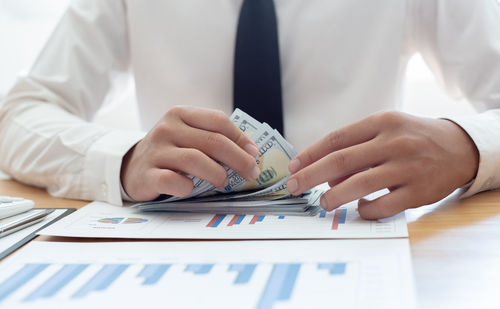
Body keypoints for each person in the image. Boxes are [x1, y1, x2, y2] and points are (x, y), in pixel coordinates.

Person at [0, 0, 499, 219]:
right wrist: (125, 158)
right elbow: (20, 114)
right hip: (178, 248)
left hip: (356, 235)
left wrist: (468, 146)